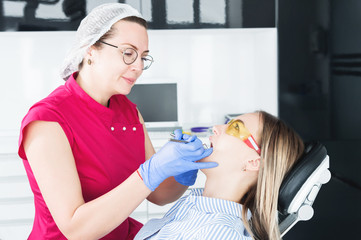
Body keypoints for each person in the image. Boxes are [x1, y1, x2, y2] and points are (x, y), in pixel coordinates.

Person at [18, 3, 217, 240]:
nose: (139, 66)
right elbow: (76, 229)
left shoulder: (130, 113)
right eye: (128, 53)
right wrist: (149, 173)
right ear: (91, 50)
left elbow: (159, 195)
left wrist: (182, 172)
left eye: (143, 57)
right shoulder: (48, 121)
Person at [135, 111, 305, 240]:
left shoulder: (221, 234)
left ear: (254, 162)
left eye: (235, 127)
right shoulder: (193, 205)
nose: (216, 128)